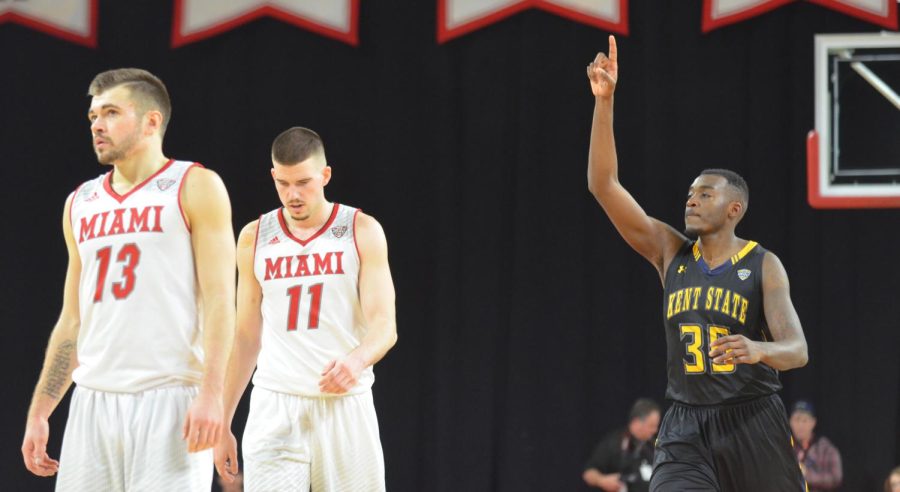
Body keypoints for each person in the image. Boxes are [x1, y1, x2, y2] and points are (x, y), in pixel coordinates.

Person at [586, 36, 809, 491]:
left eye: (705, 194)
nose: (692, 200)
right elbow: (603, 185)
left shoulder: (763, 264)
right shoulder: (670, 251)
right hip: (684, 425)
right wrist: (604, 102)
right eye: (690, 194)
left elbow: (798, 350)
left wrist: (760, 349)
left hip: (752, 420)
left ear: (735, 209)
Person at [20, 68, 236, 490]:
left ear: (151, 121)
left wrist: (213, 395)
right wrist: (41, 410)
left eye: (111, 112)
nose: (97, 124)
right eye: (93, 116)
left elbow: (220, 300)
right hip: (93, 400)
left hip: (170, 398)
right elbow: (72, 319)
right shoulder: (79, 202)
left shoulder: (195, 185)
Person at [214, 127, 397, 491]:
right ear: (273, 176)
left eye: (303, 182)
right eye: (283, 183)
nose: (292, 195)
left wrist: (357, 360)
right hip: (276, 403)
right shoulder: (254, 236)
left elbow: (385, 327)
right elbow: (247, 336)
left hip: (344, 403)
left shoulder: (361, 230)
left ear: (325, 175)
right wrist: (223, 423)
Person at [583, 398, 661, 492]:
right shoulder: (614, 444)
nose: (655, 430)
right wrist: (602, 481)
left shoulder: (654, 446)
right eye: (651, 426)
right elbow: (588, 473)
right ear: (636, 422)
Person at [789, 400, 842, 491]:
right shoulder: (786, 447)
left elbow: (836, 478)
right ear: (790, 421)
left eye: (805, 420)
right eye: (797, 419)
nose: (800, 425)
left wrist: (806, 474)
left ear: (813, 422)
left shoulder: (825, 449)